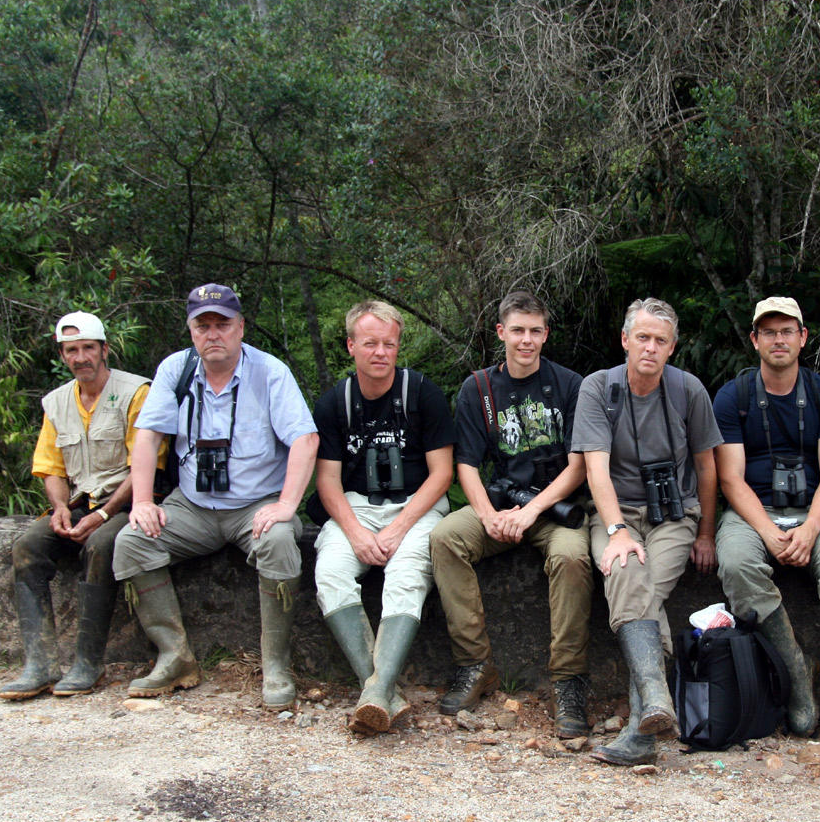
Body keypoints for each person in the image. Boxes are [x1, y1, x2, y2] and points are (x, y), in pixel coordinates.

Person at [112, 284, 318, 708]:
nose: (213, 334)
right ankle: (174, 656)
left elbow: (305, 439)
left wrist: (285, 505)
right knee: (131, 541)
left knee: (280, 540)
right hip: (193, 506)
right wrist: (143, 502)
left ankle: (275, 664)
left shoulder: (269, 372)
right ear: (191, 331)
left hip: (255, 505)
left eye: (222, 324)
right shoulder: (175, 370)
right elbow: (148, 438)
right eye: (202, 325)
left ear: (240, 327)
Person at [430, 291, 593, 736]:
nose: (527, 340)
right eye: (517, 330)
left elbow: (580, 464)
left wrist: (531, 511)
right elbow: (466, 462)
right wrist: (486, 515)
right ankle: (474, 665)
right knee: (446, 538)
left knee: (572, 558)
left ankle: (568, 682)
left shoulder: (570, 385)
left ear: (546, 334)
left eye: (535, 331)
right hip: (501, 506)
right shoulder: (478, 389)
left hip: (558, 508)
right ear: (500, 332)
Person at [713, 297, 820, 743]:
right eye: (769, 332)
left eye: (788, 331)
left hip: (815, 510)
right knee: (740, 565)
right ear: (754, 340)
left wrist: (810, 530)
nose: (778, 339)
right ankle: (796, 678)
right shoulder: (734, 396)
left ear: (803, 338)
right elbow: (730, 477)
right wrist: (768, 529)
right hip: (753, 512)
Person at [571, 297, 722, 765]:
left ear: (672, 347)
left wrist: (706, 535)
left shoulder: (688, 390)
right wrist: (616, 529)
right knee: (624, 569)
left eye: (660, 340)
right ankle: (655, 702)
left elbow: (707, 467)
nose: (650, 348)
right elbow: (595, 470)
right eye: (642, 337)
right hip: (617, 510)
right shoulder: (598, 388)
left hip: (675, 514)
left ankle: (644, 724)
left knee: (645, 587)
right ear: (625, 340)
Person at [311, 300, 454, 734]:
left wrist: (398, 527)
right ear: (351, 345)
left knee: (407, 573)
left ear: (397, 347)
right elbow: (327, 482)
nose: (380, 353)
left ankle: (375, 692)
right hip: (355, 506)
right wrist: (355, 534)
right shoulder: (335, 402)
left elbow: (442, 474)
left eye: (388, 344)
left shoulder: (421, 393)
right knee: (331, 572)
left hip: (416, 505)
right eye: (370, 343)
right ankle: (379, 690)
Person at [0, 312, 156, 699]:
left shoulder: (136, 393)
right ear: (63, 355)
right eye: (72, 350)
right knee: (27, 547)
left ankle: (88, 662)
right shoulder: (57, 403)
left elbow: (144, 466)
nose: (81, 357)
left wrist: (103, 515)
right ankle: (41, 663)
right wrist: (59, 508)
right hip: (80, 501)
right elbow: (50, 466)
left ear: (104, 349)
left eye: (88, 348)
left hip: (125, 504)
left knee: (101, 546)